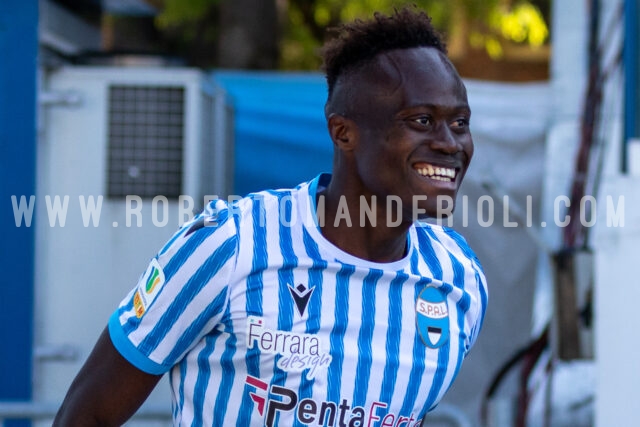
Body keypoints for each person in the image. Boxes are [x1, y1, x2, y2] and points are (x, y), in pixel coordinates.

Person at [54, 6, 488, 426]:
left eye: (460, 122)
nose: (450, 143)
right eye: (422, 120)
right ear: (343, 131)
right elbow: (87, 414)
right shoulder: (230, 245)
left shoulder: (458, 280)